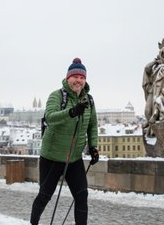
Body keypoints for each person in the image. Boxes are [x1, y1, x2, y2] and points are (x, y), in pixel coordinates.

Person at [30, 58, 98, 225]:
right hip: (52, 156)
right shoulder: (57, 96)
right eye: (75, 77)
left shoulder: (88, 100)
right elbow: (50, 117)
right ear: (68, 78)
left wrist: (93, 146)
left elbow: (92, 124)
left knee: (82, 196)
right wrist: (72, 112)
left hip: (74, 158)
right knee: (45, 195)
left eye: (82, 78)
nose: (79, 81)